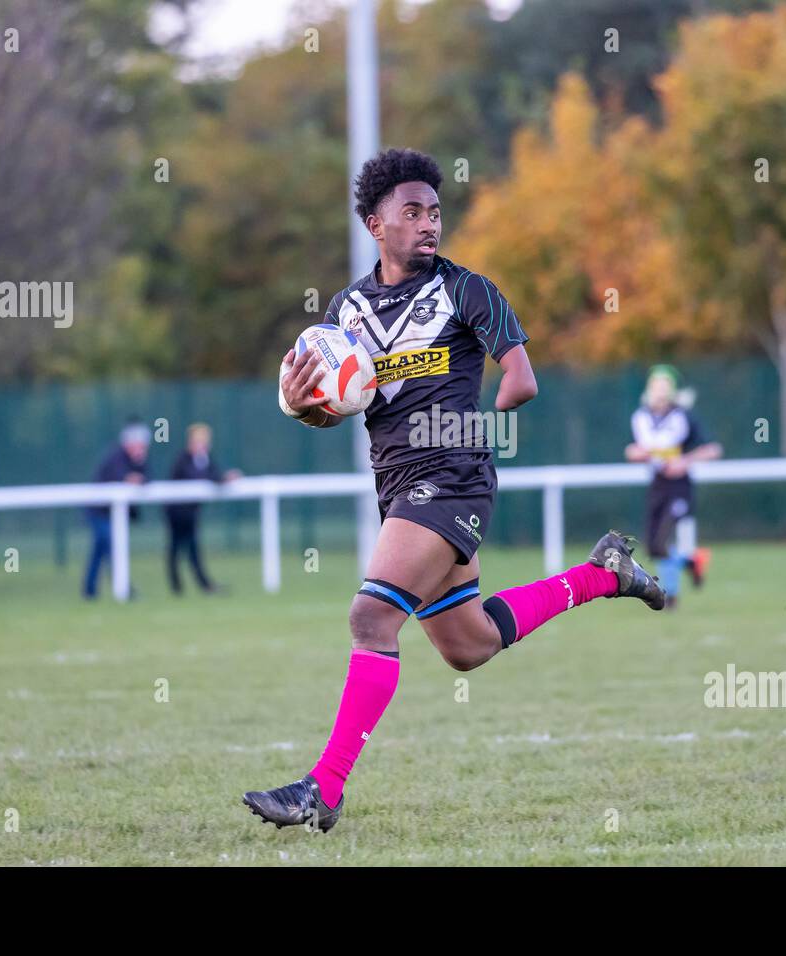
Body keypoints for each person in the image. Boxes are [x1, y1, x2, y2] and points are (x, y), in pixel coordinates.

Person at [241, 148, 665, 834]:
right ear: (376, 224)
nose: (428, 224)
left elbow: (521, 378)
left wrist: (471, 427)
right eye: (411, 213)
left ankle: (323, 788)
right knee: (468, 646)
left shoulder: (467, 290)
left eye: (435, 212)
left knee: (370, 619)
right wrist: (300, 402)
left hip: (452, 480)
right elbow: (333, 407)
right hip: (398, 488)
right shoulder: (347, 310)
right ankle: (601, 576)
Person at [625, 365, 723, 610]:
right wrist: (636, 454)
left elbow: (713, 449)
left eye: (664, 385)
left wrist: (685, 461)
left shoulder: (683, 416)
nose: (660, 391)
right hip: (657, 486)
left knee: (661, 541)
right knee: (653, 547)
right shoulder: (641, 417)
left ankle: (670, 596)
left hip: (679, 488)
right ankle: (692, 561)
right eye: (656, 385)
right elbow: (634, 450)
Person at [165, 423, 241, 595]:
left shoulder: (205, 458)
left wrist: (225, 478)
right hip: (176, 512)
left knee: (192, 549)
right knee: (176, 549)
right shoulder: (182, 459)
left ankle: (202, 585)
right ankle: (178, 587)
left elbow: (214, 475)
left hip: (191, 512)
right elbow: (196, 478)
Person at [82, 420, 150, 600]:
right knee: (113, 546)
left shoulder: (138, 460)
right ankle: (122, 587)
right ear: (129, 443)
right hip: (98, 511)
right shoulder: (116, 457)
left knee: (99, 550)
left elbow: (145, 478)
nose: (141, 448)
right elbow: (120, 478)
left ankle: (89, 591)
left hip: (112, 514)